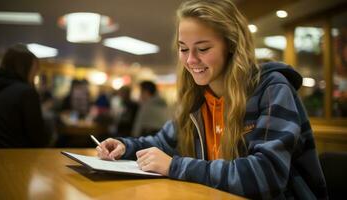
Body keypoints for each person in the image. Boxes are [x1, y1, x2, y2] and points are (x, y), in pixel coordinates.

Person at [96, 0, 328, 199]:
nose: (190, 60)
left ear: (231, 46)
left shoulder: (271, 88)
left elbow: (265, 176)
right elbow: (163, 142)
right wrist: (125, 146)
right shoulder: (197, 97)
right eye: (183, 48)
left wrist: (175, 166)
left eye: (203, 48)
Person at [0, 44, 51, 147]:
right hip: (18, 158)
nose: (35, 74)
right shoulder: (26, 93)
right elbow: (39, 139)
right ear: (25, 67)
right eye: (35, 69)